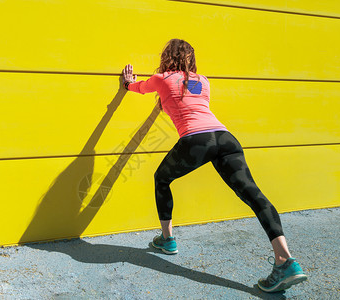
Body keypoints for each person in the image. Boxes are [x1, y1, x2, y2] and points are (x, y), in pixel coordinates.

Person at [122, 39, 308, 293]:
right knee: (255, 195)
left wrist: (128, 82)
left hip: (196, 139)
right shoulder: (204, 81)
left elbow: (138, 88)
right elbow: (188, 101)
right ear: (191, 59)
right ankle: (285, 260)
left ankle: (167, 240)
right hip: (224, 138)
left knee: (162, 179)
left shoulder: (161, 78)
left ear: (167, 56)